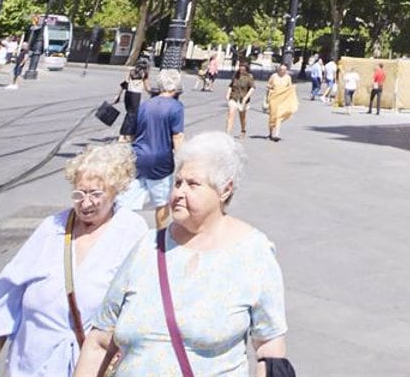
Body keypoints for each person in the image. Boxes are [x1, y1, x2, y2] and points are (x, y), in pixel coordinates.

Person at [74, 133, 288, 377]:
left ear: (225, 189)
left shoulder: (253, 253)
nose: (178, 193)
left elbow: (269, 347)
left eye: (192, 184)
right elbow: (100, 341)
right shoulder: (147, 246)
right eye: (177, 183)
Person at [0, 143, 149, 377]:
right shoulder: (52, 227)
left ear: (116, 190)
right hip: (31, 363)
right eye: (79, 193)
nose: (85, 203)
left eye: (96, 194)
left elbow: (143, 303)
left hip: (92, 366)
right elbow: (7, 296)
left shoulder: (131, 230)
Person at [122, 69, 185, 226]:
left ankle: (124, 234)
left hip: (138, 157)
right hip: (161, 161)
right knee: (162, 203)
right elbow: (177, 136)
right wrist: (183, 161)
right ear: (176, 86)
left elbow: (132, 133)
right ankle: (160, 236)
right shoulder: (176, 107)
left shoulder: (145, 105)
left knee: (128, 203)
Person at [118, 59, 150, 142]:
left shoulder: (131, 71)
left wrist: (118, 95)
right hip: (136, 95)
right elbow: (147, 88)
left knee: (129, 114)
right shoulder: (144, 74)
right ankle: (126, 136)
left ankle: (125, 135)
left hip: (128, 94)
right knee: (132, 116)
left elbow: (124, 83)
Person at [264, 64, 297, 142]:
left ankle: (276, 134)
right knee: (272, 116)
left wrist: (293, 88)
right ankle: (270, 133)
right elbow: (268, 85)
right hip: (274, 98)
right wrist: (270, 88)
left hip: (283, 99)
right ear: (278, 70)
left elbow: (290, 87)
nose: (283, 71)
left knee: (279, 116)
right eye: (281, 69)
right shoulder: (274, 76)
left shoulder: (288, 77)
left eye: (285, 70)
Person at [225, 66, 254, 139]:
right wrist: (228, 94)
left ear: (246, 70)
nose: (241, 71)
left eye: (243, 69)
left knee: (242, 117)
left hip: (243, 99)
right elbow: (231, 85)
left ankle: (243, 130)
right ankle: (228, 133)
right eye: (240, 69)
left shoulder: (249, 77)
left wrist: (246, 97)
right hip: (234, 97)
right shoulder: (235, 75)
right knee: (231, 115)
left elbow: (252, 88)